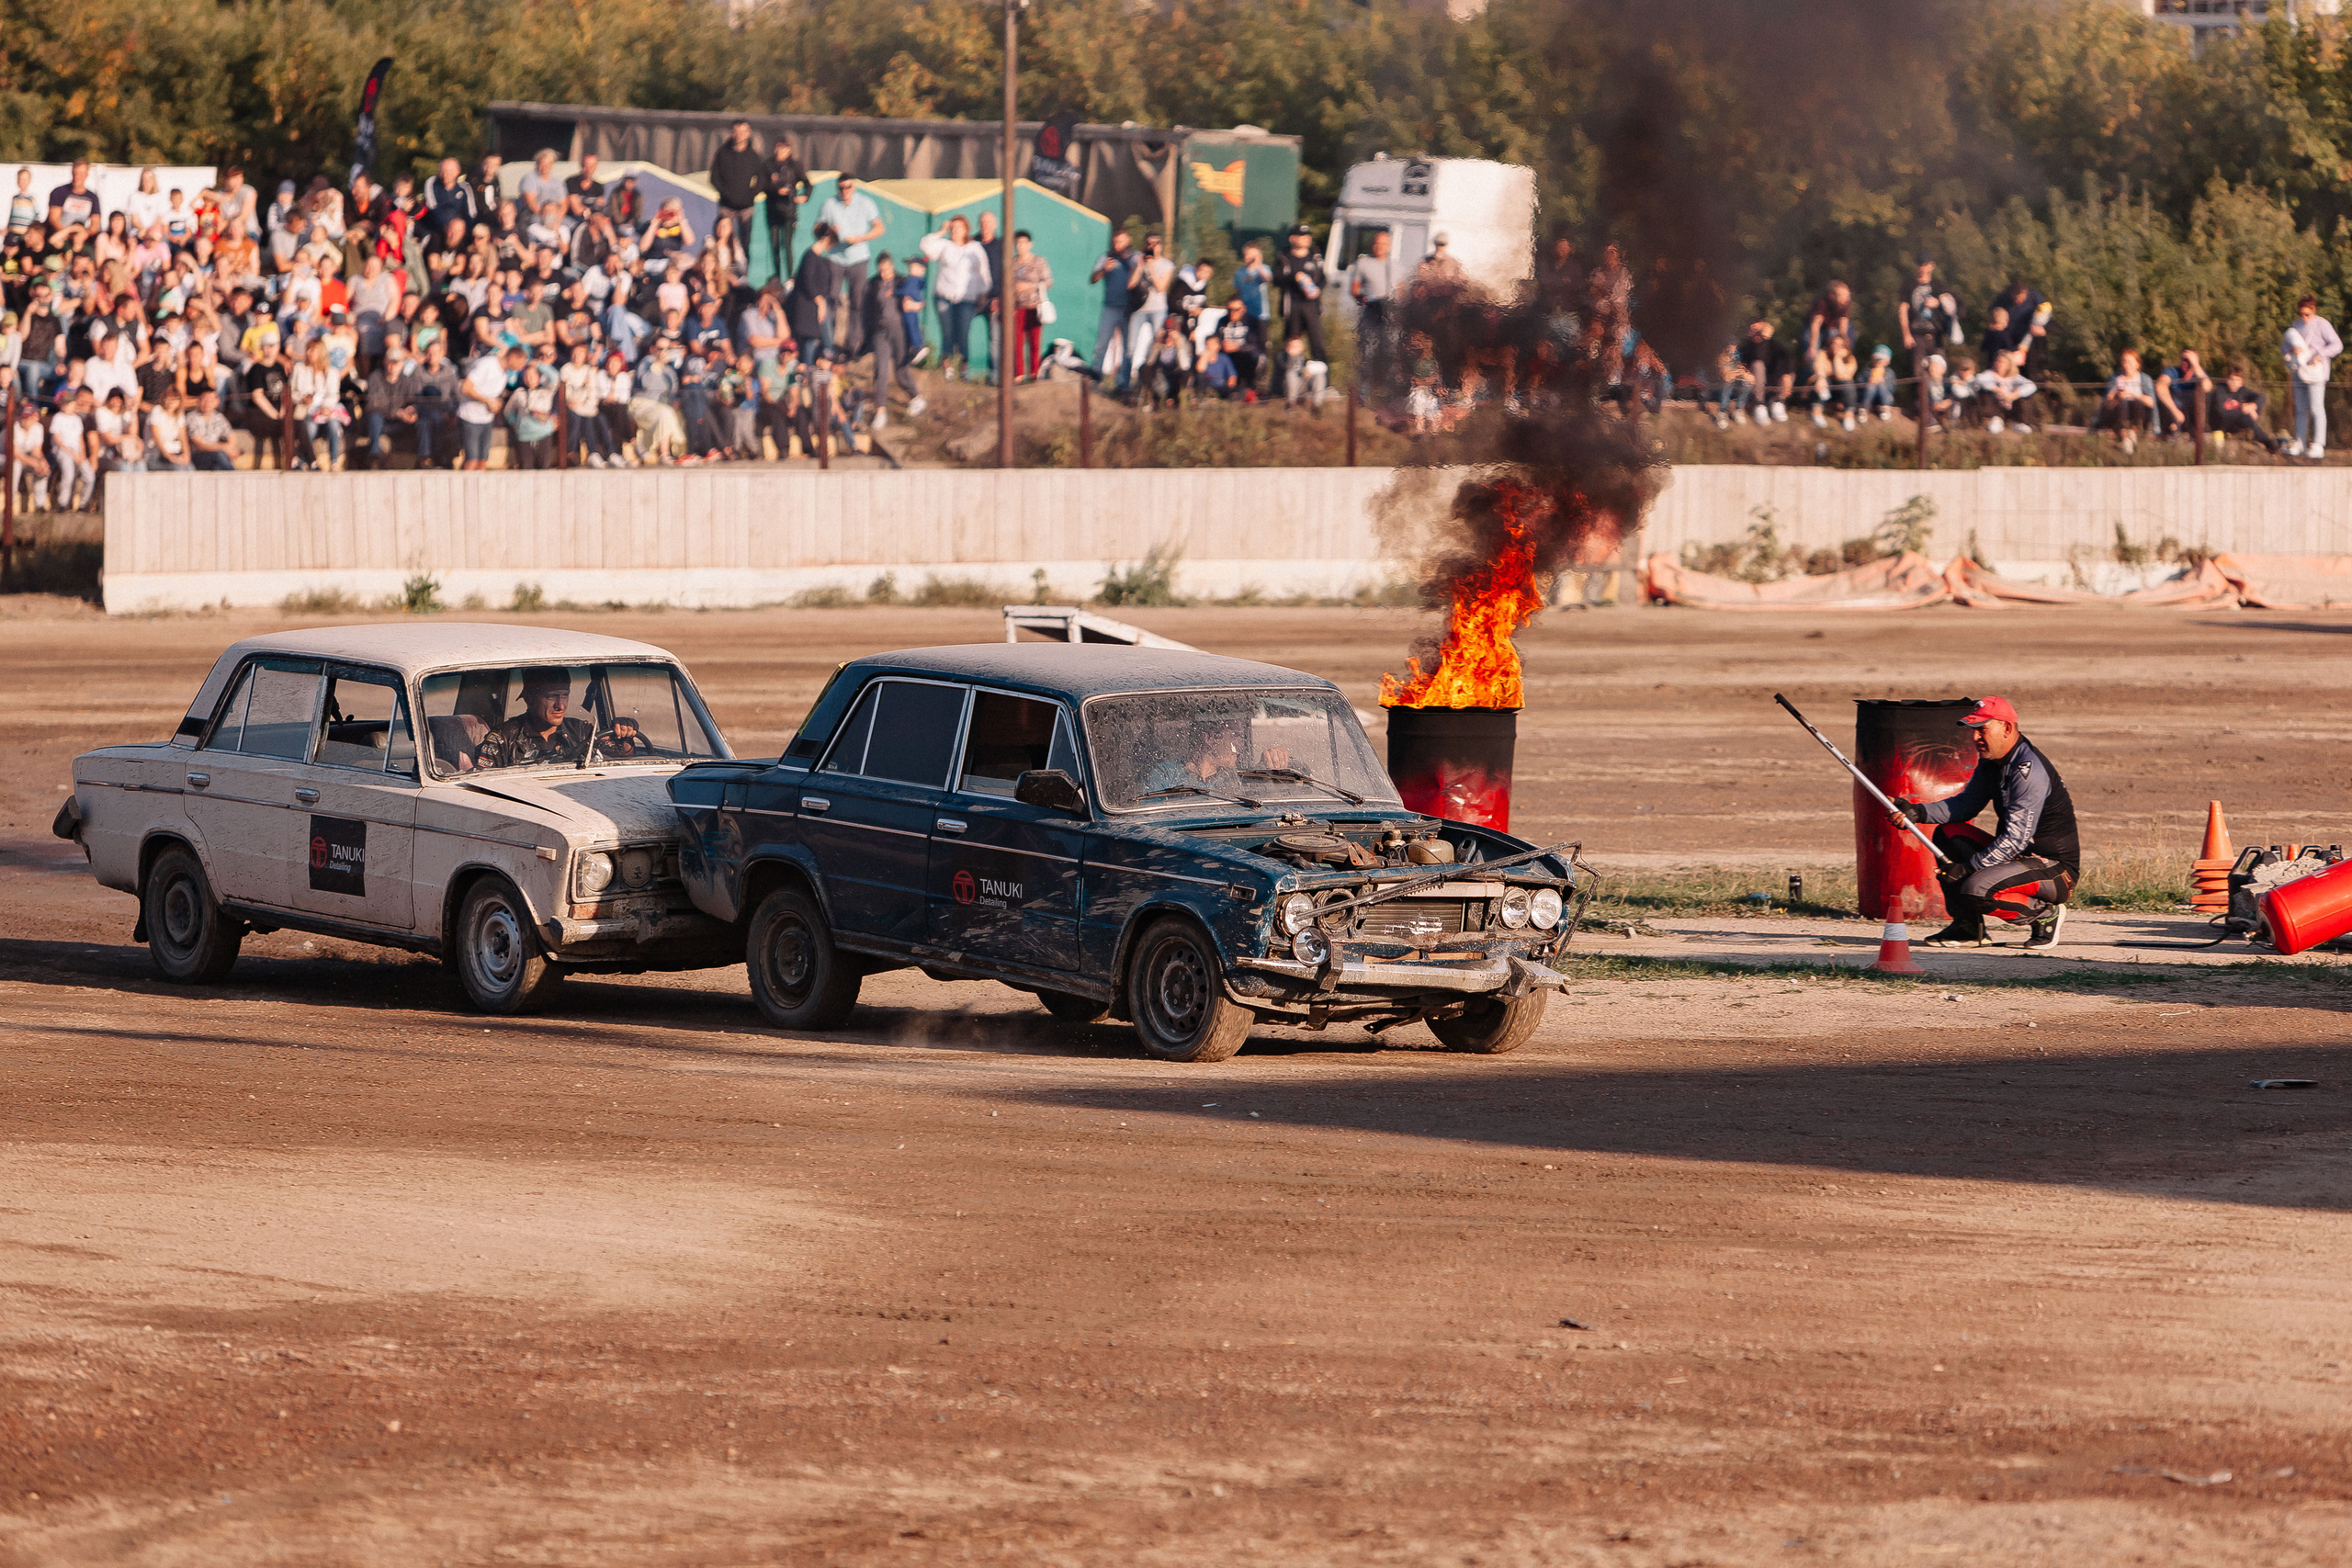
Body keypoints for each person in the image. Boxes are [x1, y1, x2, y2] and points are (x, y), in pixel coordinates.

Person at [1894, 695, 2077, 952]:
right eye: (1973, 730)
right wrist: (1917, 812)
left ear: (2007, 728)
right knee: (1948, 834)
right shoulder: (1994, 762)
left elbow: (2015, 839)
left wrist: (1969, 868)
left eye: (1982, 729)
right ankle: (1968, 929)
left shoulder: (2028, 770)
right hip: (2020, 858)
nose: (1975, 737)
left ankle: (2044, 916)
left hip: (2056, 872)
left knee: (1975, 888)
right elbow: (1967, 805)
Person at [474, 669, 595, 769]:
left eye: (565, 695)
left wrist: (615, 731)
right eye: (551, 696)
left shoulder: (582, 732)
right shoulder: (502, 739)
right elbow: (486, 786)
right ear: (529, 698)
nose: (561, 706)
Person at [921, 215, 992, 378]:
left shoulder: (975, 248)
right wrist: (941, 230)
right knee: (947, 332)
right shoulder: (945, 246)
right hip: (944, 295)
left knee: (963, 333)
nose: (955, 231)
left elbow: (984, 272)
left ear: (966, 229)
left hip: (966, 299)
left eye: (959, 227)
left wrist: (983, 293)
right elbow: (925, 246)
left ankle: (963, 369)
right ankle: (947, 368)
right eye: (953, 228)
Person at [2282, 295, 2339, 460]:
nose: (2304, 317)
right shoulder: (2296, 325)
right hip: (2299, 371)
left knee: (2316, 408)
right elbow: (2284, 346)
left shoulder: (2323, 324)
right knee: (2300, 409)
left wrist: (2320, 355)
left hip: (2317, 373)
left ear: (2313, 310)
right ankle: (2300, 442)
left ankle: (2318, 444)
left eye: (2307, 314)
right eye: (2301, 314)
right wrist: (2291, 349)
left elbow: (2337, 345)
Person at [817, 175, 885, 307]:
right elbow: (817, 229)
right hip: (836, 258)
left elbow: (880, 228)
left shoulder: (866, 203)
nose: (845, 191)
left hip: (859, 258)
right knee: (832, 298)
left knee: (858, 301)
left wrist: (862, 238)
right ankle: (831, 327)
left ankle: (856, 328)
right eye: (841, 188)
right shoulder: (829, 204)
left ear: (854, 187)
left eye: (848, 187)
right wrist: (830, 232)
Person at [1089, 231, 1138, 391]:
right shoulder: (1107, 257)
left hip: (1129, 309)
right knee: (1102, 344)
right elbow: (1093, 279)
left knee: (1128, 347)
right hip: (1109, 307)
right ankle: (1096, 379)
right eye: (1116, 242)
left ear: (1129, 240)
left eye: (1122, 241)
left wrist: (1133, 265)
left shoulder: (1136, 257)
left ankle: (1122, 383)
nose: (1119, 245)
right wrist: (1104, 269)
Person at [459, 344, 520, 470]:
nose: (521, 367)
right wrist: (487, 401)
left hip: (486, 419)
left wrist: (496, 404)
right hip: (471, 417)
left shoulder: (504, 375)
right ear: (513, 357)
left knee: (482, 462)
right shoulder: (487, 364)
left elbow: (493, 396)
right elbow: (466, 387)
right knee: (472, 462)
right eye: (521, 362)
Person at [1273, 225, 1327, 364]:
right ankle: (1289, 375)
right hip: (1292, 305)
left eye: (1308, 236)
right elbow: (1277, 279)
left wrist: (1317, 290)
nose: (1307, 239)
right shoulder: (1284, 257)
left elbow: (1323, 279)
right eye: (1303, 236)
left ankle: (1322, 379)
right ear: (1293, 238)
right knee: (1292, 342)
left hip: (1311, 305)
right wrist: (1294, 277)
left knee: (1317, 343)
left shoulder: (1315, 256)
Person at [787, 223, 839, 366]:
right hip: (808, 307)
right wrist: (820, 301)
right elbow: (807, 281)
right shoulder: (810, 257)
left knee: (812, 341)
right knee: (810, 340)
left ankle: (813, 366)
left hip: (814, 306)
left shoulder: (820, 259)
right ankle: (819, 361)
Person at [1897, 257, 1960, 374]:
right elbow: (1903, 309)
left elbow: (1953, 305)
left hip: (1936, 335)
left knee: (1940, 371)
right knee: (1918, 373)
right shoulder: (1909, 285)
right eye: (1920, 264)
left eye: (1926, 265)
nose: (1923, 268)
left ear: (1932, 266)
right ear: (1916, 266)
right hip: (1917, 335)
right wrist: (1906, 334)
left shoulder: (1938, 285)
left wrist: (1937, 302)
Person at [758, 139, 810, 279]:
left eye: (784, 148)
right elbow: (761, 185)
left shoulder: (794, 166)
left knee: (787, 245)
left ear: (789, 150)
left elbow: (808, 183)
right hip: (773, 210)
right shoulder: (768, 165)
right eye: (778, 148)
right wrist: (776, 190)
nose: (780, 152)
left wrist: (804, 196)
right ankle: (777, 276)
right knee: (774, 245)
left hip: (789, 211)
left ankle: (790, 277)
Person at [1008, 231, 1053, 382]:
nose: (1020, 246)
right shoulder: (1012, 263)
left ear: (1029, 244)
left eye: (1023, 243)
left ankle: (1034, 374)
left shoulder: (1038, 261)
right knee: (1017, 343)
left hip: (1035, 307)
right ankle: (1018, 375)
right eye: (1017, 243)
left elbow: (1047, 282)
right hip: (1018, 308)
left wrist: (1026, 286)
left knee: (1034, 343)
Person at [2091, 348, 2158, 451]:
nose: (2127, 364)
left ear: (2137, 364)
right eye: (2124, 361)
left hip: (2138, 414)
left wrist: (2133, 394)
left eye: (2130, 361)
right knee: (2122, 403)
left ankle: (2133, 432)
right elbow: (2106, 404)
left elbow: (2151, 403)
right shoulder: (2115, 378)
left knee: (2136, 403)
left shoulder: (2145, 379)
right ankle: (2125, 438)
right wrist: (2115, 396)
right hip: (2119, 413)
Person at [2209, 362, 2281, 455]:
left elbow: (2261, 397)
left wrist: (2252, 406)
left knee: (2250, 419)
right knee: (2246, 416)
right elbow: (2221, 412)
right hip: (2221, 423)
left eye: (2236, 380)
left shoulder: (2242, 390)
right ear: (2226, 379)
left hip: (2237, 422)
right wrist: (2242, 408)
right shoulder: (2219, 390)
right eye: (2230, 379)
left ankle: (2266, 443)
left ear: (2241, 382)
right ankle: (2266, 442)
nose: (2233, 383)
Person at [1351, 229, 1396, 364]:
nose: (1380, 247)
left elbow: (1402, 291)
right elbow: (1355, 290)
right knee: (1369, 348)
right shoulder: (1363, 263)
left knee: (1389, 348)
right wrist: (1363, 299)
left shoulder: (1395, 266)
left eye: (1384, 244)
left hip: (1390, 313)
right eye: (1377, 243)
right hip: (1371, 310)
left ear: (1389, 246)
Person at [1736, 319, 1792, 423]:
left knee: (1785, 367)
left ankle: (1777, 401)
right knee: (1758, 364)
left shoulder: (1772, 344)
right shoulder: (1746, 344)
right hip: (1749, 381)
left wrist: (1786, 375)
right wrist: (1756, 339)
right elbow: (1754, 356)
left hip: (1770, 380)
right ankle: (1759, 405)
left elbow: (1787, 356)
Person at [1975, 349, 2036, 434]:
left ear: (2008, 365)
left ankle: (2019, 423)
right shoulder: (1990, 374)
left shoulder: (2015, 378)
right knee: (1985, 392)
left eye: (2001, 362)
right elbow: (1979, 379)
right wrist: (1997, 389)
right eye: (1997, 361)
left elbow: (2031, 386)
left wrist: (2013, 395)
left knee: (2025, 395)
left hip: (2011, 407)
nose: (1998, 364)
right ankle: (1994, 421)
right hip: (1996, 408)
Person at [185, 389, 238, 470]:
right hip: (197, 455)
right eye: (204, 400)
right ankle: (234, 477)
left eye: (211, 400)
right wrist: (223, 447)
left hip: (216, 455)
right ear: (199, 401)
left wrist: (230, 449)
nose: (207, 404)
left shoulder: (218, 417)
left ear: (217, 402)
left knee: (218, 466)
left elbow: (232, 437)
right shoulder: (192, 417)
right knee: (219, 455)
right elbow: (200, 445)